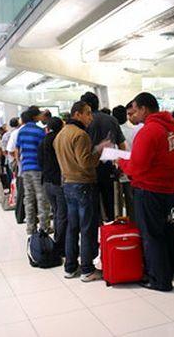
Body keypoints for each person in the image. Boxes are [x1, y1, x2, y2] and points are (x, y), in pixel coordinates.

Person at [118, 92, 174, 292]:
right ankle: (165, 273)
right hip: (168, 188)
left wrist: (119, 161)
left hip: (149, 189)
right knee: (160, 233)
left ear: (144, 109)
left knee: (151, 236)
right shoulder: (173, 128)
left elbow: (136, 167)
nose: (132, 116)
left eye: (134, 111)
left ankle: (159, 280)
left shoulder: (149, 131)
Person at [54, 101, 110, 282]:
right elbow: (86, 163)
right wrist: (100, 151)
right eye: (87, 114)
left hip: (68, 184)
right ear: (77, 114)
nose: (90, 118)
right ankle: (87, 269)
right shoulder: (80, 135)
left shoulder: (60, 135)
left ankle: (70, 267)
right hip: (84, 185)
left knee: (73, 227)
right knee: (87, 228)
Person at [82, 91, 126, 222]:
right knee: (110, 202)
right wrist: (120, 163)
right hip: (108, 166)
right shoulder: (112, 120)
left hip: (89, 167)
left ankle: (97, 231)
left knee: (92, 203)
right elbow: (122, 145)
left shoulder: (85, 122)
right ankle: (110, 231)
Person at [16, 106, 50, 235]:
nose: (42, 116)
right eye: (40, 114)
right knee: (41, 198)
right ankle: (44, 227)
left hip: (26, 168)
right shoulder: (40, 131)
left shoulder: (21, 131)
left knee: (28, 198)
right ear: (35, 117)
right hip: (38, 168)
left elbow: (18, 150)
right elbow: (43, 150)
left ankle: (30, 227)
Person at [38, 117, 67, 255]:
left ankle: (57, 239)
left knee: (56, 212)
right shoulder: (60, 140)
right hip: (58, 181)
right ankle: (61, 246)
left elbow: (40, 162)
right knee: (62, 214)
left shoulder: (42, 141)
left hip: (46, 181)